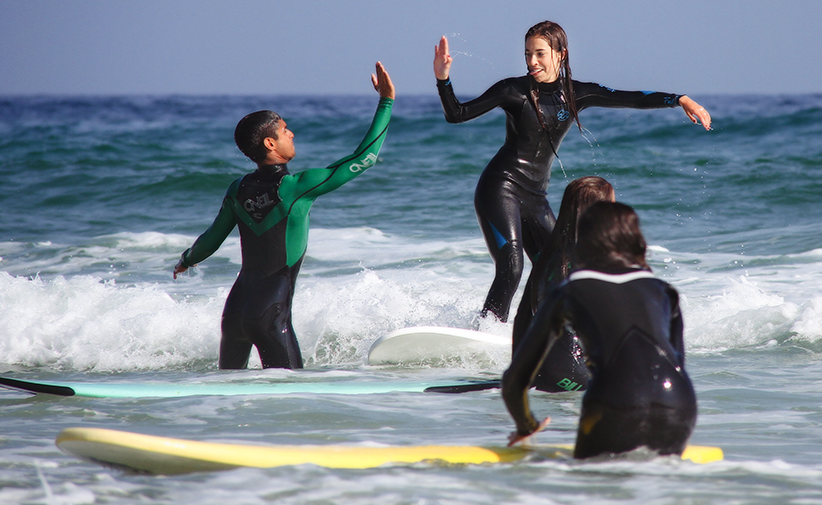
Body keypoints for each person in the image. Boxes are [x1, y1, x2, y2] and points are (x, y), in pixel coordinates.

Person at [433, 21, 711, 322]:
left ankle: (543, 330)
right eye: (527, 54)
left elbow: (628, 97)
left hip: (535, 196)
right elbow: (457, 115)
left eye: (540, 53)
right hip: (500, 188)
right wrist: (443, 78)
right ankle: (484, 330)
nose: (532, 61)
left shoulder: (576, 94)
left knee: (561, 268)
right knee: (511, 267)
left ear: (560, 54)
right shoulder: (513, 90)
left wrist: (678, 99)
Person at [173, 62, 395, 369]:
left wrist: (186, 260)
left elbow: (211, 238)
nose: (291, 133)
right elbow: (365, 158)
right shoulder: (295, 187)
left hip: (234, 313)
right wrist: (386, 102)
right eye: (284, 129)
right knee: (292, 399)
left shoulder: (237, 189)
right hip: (269, 314)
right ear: (270, 143)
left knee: (224, 399)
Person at [502, 201, 697, 459]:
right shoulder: (664, 291)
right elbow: (677, 363)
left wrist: (527, 426)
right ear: (637, 241)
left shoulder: (569, 290)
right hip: (680, 402)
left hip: (612, 403)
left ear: (584, 241)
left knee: (592, 485)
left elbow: (515, 380)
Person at [510, 175, 614, 392]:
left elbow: (522, 319)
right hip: (569, 374)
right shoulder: (591, 261)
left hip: (539, 371)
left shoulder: (550, 255)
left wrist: (519, 372)